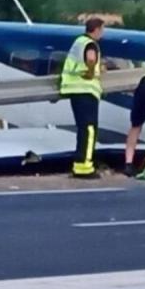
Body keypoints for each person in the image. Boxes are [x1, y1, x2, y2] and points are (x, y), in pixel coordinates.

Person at [60, 17, 104, 179]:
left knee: (82, 129)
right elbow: (91, 58)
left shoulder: (78, 41)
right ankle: (85, 167)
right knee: (89, 129)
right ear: (97, 29)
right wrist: (92, 72)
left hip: (74, 90)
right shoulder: (90, 44)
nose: (102, 33)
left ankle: (79, 164)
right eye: (102, 30)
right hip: (86, 90)